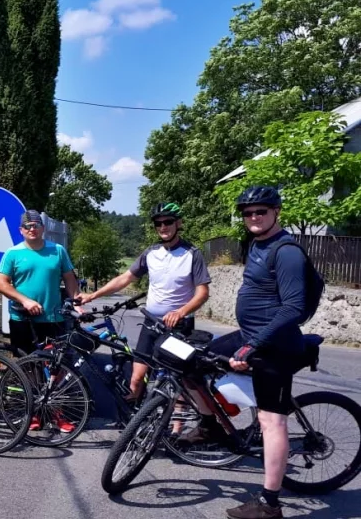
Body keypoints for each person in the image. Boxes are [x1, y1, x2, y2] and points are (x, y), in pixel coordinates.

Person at [206, 186, 308, 519]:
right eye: (248, 213)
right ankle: (212, 425)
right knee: (194, 363)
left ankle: (270, 504)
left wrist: (252, 347)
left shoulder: (287, 251)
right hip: (250, 336)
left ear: (276, 212)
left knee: (272, 421)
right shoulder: (257, 244)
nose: (253, 218)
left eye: (260, 212)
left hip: (275, 345)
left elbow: (293, 307)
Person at [78, 202, 211, 402]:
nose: (163, 227)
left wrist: (181, 312)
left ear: (178, 223)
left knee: (177, 380)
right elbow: (124, 279)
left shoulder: (192, 254)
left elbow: (202, 292)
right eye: (158, 224)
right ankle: (136, 423)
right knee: (137, 377)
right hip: (151, 323)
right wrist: (92, 296)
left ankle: (176, 429)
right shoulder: (151, 253)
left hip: (179, 326)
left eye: (168, 222)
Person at [0, 210, 81, 357]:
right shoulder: (12, 253)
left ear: (43, 228)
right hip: (22, 319)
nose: (32, 229)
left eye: (36, 225)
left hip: (52, 317)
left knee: (55, 364)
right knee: (25, 365)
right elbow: (1, 283)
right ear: (21, 230)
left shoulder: (57, 250)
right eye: (27, 226)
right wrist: (25, 301)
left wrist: (77, 303)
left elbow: (69, 278)